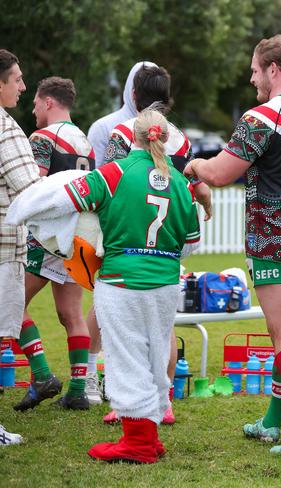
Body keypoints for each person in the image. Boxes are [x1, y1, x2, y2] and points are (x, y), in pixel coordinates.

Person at [184, 34, 281, 458]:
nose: (252, 80)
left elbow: (219, 172)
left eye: (254, 70)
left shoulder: (261, 117)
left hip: (275, 237)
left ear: (273, 69)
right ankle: (271, 422)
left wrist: (194, 164)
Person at [64, 107, 200, 463]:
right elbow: (192, 242)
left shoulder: (114, 172)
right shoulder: (181, 183)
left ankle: (137, 442)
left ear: (130, 138)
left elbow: (70, 198)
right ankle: (149, 432)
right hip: (166, 281)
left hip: (121, 279)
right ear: (166, 139)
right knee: (156, 356)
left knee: (127, 357)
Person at [97, 64, 211, 424]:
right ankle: (166, 401)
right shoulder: (181, 139)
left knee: (125, 332)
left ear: (133, 95)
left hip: (127, 244)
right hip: (167, 243)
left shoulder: (123, 132)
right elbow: (187, 185)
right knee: (162, 328)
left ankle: (124, 403)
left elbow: (115, 186)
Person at [12, 76, 95, 412]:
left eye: (34, 103)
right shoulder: (85, 142)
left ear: (48, 102)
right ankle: (77, 389)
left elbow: (36, 187)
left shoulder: (43, 138)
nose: (32, 109)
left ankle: (43, 374)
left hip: (46, 236)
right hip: (77, 236)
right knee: (71, 313)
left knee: (11, 304)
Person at [83, 61, 156, 404]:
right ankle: (86, 375)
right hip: (114, 230)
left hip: (150, 234)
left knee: (143, 313)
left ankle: (145, 391)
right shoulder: (106, 127)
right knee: (104, 304)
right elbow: (100, 178)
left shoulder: (163, 130)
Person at [0, 48, 40, 445]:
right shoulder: (6, 128)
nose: (23, 86)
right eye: (17, 79)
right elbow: (29, 192)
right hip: (2, 252)